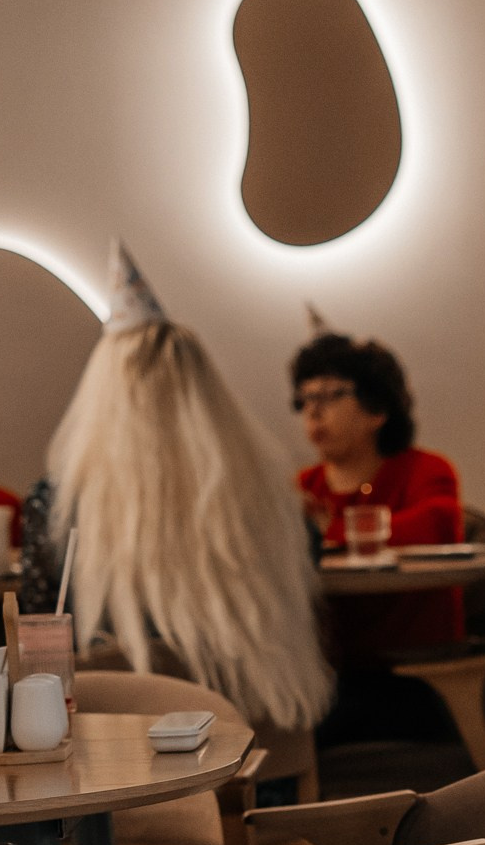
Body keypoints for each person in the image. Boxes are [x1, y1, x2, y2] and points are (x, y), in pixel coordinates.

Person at [47, 243, 332, 730]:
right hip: (262, 748)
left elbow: (42, 634)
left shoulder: (62, 508)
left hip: (122, 760)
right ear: (208, 394)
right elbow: (310, 563)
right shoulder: (270, 497)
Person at [291, 331, 464, 660]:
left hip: (419, 664)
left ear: (377, 409)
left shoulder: (425, 470)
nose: (313, 411)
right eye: (306, 397)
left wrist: (327, 533)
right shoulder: (302, 486)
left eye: (331, 395)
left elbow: (437, 524)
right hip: (327, 667)